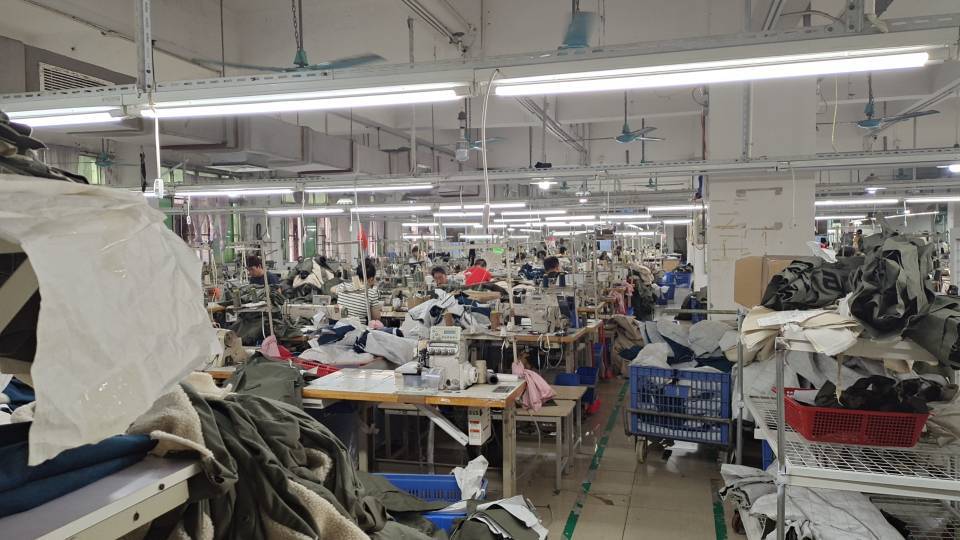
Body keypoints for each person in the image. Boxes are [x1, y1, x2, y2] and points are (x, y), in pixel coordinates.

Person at [334, 258, 382, 323]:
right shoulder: (371, 292)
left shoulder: (343, 286)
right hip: (358, 328)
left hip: (339, 326)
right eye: (374, 279)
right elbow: (376, 318)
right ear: (371, 279)